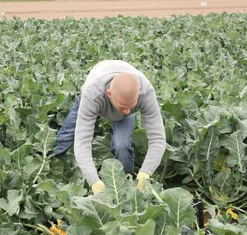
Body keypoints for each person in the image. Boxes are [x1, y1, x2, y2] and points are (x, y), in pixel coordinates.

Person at [51, 60, 166, 194]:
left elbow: (158, 139)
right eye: (123, 107)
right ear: (109, 94)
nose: (128, 111)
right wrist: (94, 181)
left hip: (123, 95)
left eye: (131, 106)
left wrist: (146, 172)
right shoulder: (93, 95)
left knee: (122, 145)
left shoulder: (145, 92)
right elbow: (82, 143)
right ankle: (48, 164)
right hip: (95, 91)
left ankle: (125, 183)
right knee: (66, 137)